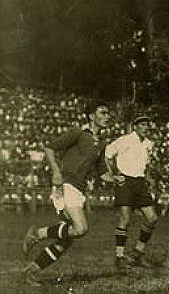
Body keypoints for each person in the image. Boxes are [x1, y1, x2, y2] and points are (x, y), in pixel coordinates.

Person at [21, 101, 113, 286]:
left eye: (108, 113)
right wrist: (56, 172)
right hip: (66, 183)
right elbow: (49, 148)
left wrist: (117, 178)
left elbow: (103, 172)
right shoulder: (78, 133)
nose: (107, 116)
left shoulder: (101, 143)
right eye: (102, 112)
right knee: (80, 228)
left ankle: (32, 271)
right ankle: (38, 233)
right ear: (91, 116)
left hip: (79, 188)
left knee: (65, 241)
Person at [104, 115, 158, 270]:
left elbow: (144, 165)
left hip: (140, 182)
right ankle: (119, 257)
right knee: (125, 219)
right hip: (125, 181)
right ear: (135, 127)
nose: (146, 127)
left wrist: (149, 178)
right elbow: (107, 156)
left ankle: (137, 254)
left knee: (152, 218)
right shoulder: (125, 140)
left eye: (147, 124)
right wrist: (113, 175)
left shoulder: (149, 144)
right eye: (142, 124)